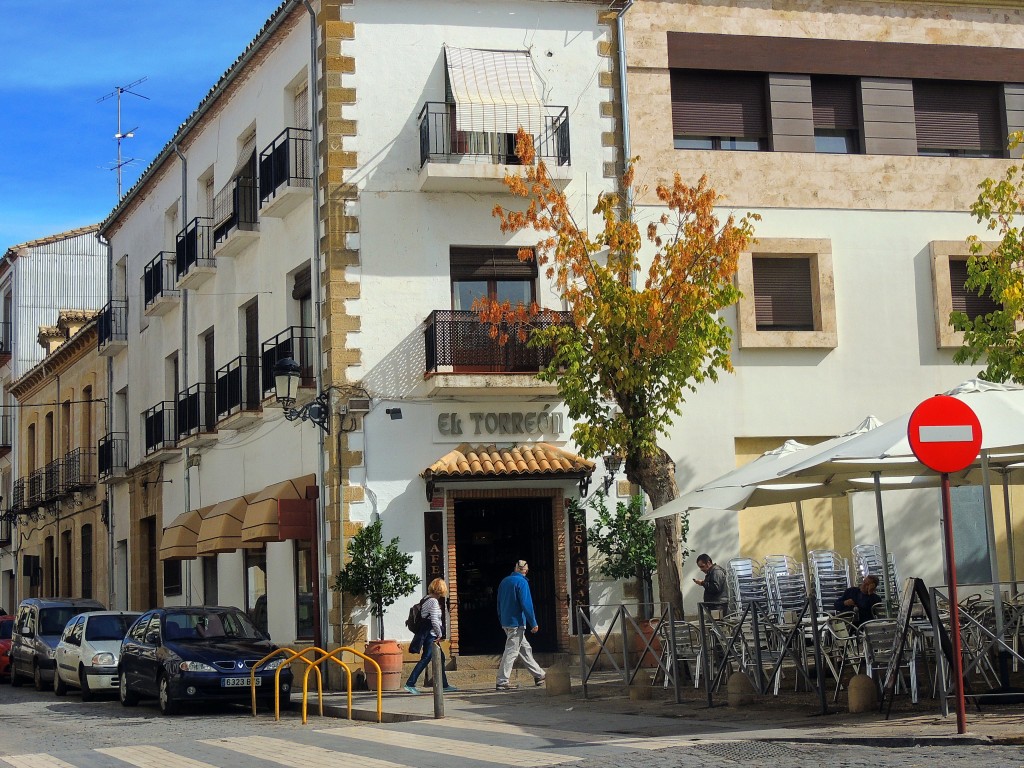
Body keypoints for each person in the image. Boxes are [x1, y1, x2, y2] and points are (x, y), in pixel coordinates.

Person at [495, 559, 546, 691]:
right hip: (517, 622)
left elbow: (499, 602)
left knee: (525, 649)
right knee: (511, 651)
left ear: (515, 568)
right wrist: (533, 623)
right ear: (526, 571)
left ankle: (539, 675)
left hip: (506, 621)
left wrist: (501, 619)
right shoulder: (522, 582)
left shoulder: (504, 581)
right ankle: (502, 680)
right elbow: (526, 604)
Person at [405, 578, 457, 694]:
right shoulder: (433, 601)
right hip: (431, 635)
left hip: (429, 634)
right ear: (441, 589)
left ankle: (444, 684)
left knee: (441, 658)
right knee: (426, 658)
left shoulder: (425, 599)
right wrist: (439, 634)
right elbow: (434, 620)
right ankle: (410, 683)